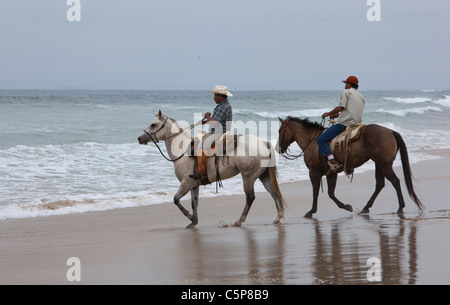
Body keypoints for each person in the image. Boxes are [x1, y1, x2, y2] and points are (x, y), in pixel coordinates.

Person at [317, 76, 365, 173]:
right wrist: (338, 115)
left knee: (321, 140)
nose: (345, 85)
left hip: (344, 124)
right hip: (356, 123)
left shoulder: (346, 92)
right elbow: (351, 111)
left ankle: (333, 161)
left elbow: (341, 107)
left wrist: (328, 114)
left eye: (346, 83)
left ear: (350, 84)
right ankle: (347, 164)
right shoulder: (360, 96)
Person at [189, 85, 233, 180]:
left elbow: (215, 123)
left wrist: (207, 116)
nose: (214, 98)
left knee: (201, 146)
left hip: (219, 133)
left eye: (215, 95)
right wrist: (205, 120)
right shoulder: (221, 106)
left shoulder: (223, 107)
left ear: (221, 96)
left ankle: (201, 172)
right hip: (216, 131)